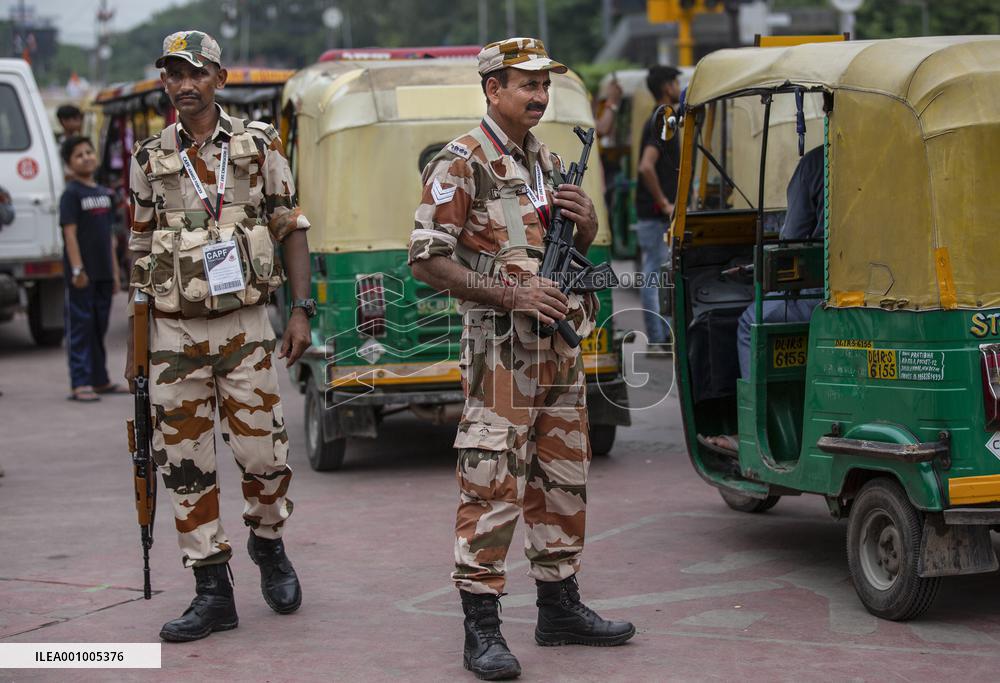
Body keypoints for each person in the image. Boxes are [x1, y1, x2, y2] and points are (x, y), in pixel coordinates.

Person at [409, 37, 635, 681]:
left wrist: (587, 224)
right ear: (492, 89)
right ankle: (481, 627)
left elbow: (572, 246)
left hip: (558, 350)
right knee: (493, 481)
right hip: (501, 354)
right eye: (525, 84)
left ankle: (560, 609)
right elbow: (426, 259)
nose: (539, 96)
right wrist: (512, 292)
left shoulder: (550, 160)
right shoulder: (462, 162)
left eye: (544, 85)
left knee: (563, 478)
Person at [126, 30, 313, 642]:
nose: (184, 84)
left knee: (264, 456)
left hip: (244, 326)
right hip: (174, 334)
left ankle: (268, 543)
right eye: (173, 74)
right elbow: (137, 249)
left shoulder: (258, 146)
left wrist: (300, 310)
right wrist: (137, 342)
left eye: (195, 73)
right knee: (185, 464)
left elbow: (290, 225)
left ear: (218, 79)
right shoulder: (149, 156)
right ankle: (212, 589)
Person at [701, 144, 825, 456]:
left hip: (824, 298)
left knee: (750, 322)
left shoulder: (817, 162)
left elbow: (793, 239)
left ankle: (753, 434)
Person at [59, 136, 123, 402]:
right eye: (78, 155)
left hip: (104, 273)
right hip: (82, 276)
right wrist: (77, 270)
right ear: (69, 164)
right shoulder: (71, 194)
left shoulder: (103, 194)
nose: (86, 157)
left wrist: (116, 273)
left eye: (89, 152)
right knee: (81, 327)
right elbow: (70, 234)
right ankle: (80, 382)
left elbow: (109, 238)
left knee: (99, 326)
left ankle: (100, 380)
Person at [635, 65, 682, 353]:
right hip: (654, 214)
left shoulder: (666, 118)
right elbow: (646, 165)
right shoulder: (663, 120)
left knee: (659, 274)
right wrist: (665, 202)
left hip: (654, 214)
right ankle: (659, 338)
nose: (679, 86)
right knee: (655, 274)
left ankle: (662, 336)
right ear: (666, 86)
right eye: (676, 82)